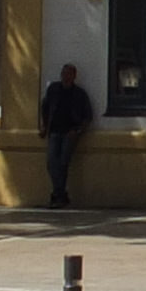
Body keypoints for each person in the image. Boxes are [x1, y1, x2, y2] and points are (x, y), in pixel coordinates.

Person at [38, 62, 93, 207]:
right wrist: (44, 126)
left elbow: (88, 115)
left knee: (63, 163)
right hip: (54, 131)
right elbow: (45, 107)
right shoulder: (53, 89)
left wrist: (78, 130)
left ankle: (58, 195)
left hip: (70, 133)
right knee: (51, 163)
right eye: (63, 73)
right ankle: (60, 194)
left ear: (74, 76)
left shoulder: (79, 94)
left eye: (68, 74)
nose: (65, 77)